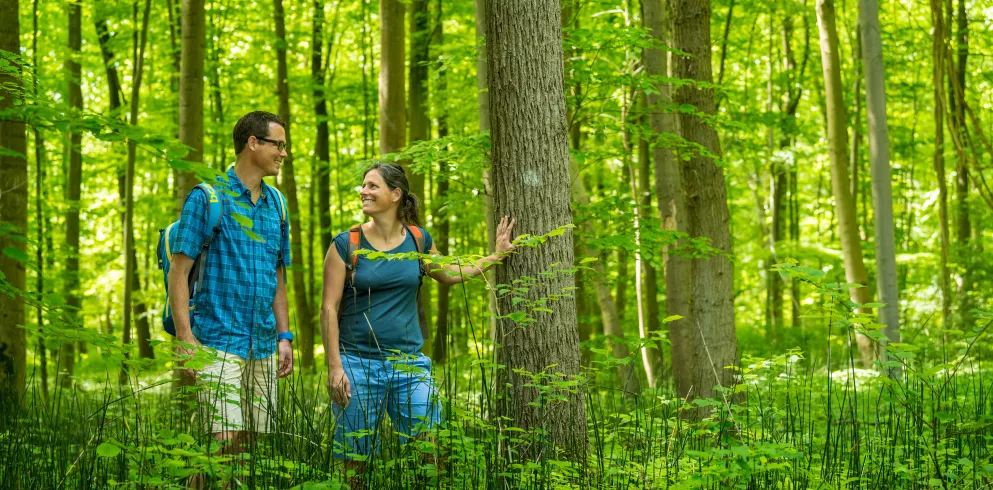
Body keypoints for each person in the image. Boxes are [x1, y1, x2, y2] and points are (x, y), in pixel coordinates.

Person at [320, 162, 515, 480]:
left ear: (395, 194)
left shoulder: (418, 239)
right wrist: (334, 367)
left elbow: (450, 274)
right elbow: (328, 308)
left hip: (409, 366)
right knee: (354, 463)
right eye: (363, 185)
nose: (363, 191)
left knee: (431, 450)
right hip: (356, 365)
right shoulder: (347, 244)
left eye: (372, 186)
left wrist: (495, 255)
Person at [168, 111, 294, 484]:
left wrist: (284, 337)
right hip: (217, 340)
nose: (284, 153)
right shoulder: (207, 198)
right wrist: (186, 339)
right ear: (253, 143)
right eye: (279, 144)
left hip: (262, 343)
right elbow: (179, 273)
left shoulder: (278, 205)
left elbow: (277, 276)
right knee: (219, 444)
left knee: (245, 447)